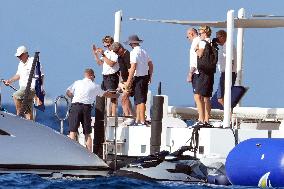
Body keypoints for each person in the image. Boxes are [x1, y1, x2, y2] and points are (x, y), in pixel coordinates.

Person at [66, 68, 118, 152]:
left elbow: (68, 92)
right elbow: (105, 94)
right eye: (94, 76)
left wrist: (73, 96)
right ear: (91, 76)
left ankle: (72, 152)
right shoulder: (95, 86)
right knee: (87, 133)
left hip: (75, 106)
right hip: (86, 108)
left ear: (85, 75)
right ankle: (89, 153)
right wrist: (116, 96)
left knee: (73, 131)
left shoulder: (77, 82)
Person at [4, 46, 44, 120]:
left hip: (31, 88)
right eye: (18, 56)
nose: (19, 57)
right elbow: (18, 75)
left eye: (20, 55)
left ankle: (19, 116)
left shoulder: (33, 61)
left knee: (16, 96)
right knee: (28, 112)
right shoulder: (20, 64)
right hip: (24, 89)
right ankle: (30, 126)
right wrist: (9, 81)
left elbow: (41, 76)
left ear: (25, 54)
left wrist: (40, 93)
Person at [124, 34, 154, 125]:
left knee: (140, 100)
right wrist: (150, 76)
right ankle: (138, 119)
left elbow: (133, 67)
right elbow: (151, 65)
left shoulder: (133, 53)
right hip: (145, 77)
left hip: (138, 78)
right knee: (140, 99)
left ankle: (141, 120)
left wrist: (129, 81)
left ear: (131, 44)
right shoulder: (144, 52)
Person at [92, 36, 119, 116]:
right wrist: (95, 54)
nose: (107, 47)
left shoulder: (114, 53)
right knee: (104, 95)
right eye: (105, 46)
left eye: (108, 45)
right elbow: (100, 63)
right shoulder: (106, 52)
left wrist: (103, 54)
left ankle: (113, 115)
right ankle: (106, 113)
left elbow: (111, 63)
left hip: (112, 76)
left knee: (112, 96)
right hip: (105, 76)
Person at [195, 26, 215, 125]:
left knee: (199, 95)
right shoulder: (212, 42)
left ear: (205, 33)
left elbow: (200, 54)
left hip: (203, 71)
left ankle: (201, 119)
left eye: (200, 32)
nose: (199, 34)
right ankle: (207, 119)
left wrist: (196, 49)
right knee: (207, 97)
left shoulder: (203, 42)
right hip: (210, 71)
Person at [111, 42, 133, 117]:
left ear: (121, 48)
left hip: (129, 80)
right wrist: (120, 82)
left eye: (117, 51)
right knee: (126, 99)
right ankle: (131, 115)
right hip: (124, 81)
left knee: (124, 98)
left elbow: (131, 70)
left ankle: (128, 116)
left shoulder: (127, 55)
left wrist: (128, 82)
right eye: (115, 52)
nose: (116, 53)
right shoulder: (119, 57)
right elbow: (121, 70)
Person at [215, 30, 237, 106]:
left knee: (221, 97)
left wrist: (228, 73)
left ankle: (229, 114)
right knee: (223, 96)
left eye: (218, 37)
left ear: (222, 37)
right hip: (226, 73)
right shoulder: (225, 46)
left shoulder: (228, 45)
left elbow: (231, 60)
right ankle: (228, 114)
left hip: (228, 73)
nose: (217, 40)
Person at [186, 28, 203, 123]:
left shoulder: (195, 43)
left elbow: (194, 61)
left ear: (191, 34)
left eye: (187, 36)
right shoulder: (199, 41)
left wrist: (190, 73)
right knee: (200, 97)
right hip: (199, 72)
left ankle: (201, 118)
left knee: (197, 97)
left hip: (197, 73)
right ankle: (201, 117)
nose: (187, 38)